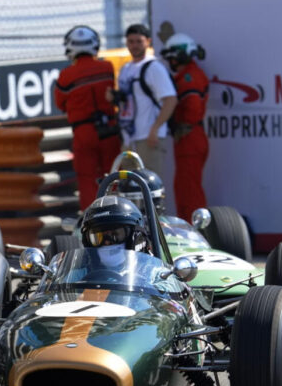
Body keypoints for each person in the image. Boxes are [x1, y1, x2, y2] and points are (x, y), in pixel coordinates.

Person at [54, 25, 122, 211]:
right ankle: (116, 213)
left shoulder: (66, 75)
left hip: (83, 132)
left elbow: (60, 103)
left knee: (87, 179)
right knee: (112, 176)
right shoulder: (107, 67)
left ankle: (92, 218)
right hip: (109, 129)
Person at [112, 24, 177, 215]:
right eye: (131, 41)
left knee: (152, 190)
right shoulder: (125, 69)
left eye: (139, 41)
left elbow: (170, 99)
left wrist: (155, 129)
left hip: (148, 138)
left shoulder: (154, 67)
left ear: (148, 42)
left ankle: (158, 228)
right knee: (129, 192)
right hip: (130, 139)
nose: (134, 45)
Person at [159, 33, 210, 219]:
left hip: (190, 137)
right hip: (188, 138)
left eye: (172, 57)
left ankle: (196, 229)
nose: (170, 61)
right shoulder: (187, 75)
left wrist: (183, 124)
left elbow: (193, 107)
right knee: (183, 188)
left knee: (189, 191)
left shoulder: (190, 76)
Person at [80, 195, 148, 251]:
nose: (107, 243)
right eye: (98, 238)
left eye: (115, 235)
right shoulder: (84, 264)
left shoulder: (152, 263)